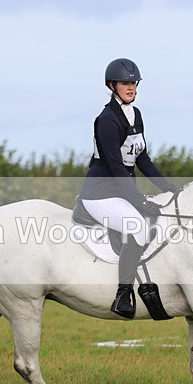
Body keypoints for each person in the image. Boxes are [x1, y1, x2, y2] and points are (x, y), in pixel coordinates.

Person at [79, 58, 178, 319]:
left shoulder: (135, 115)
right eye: (125, 83)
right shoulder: (107, 120)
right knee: (138, 225)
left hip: (121, 191)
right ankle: (123, 294)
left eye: (134, 83)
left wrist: (170, 188)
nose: (131, 87)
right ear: (111, 85)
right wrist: (141, 202)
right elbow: (115, 166)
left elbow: (142, 159)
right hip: (100, 194)